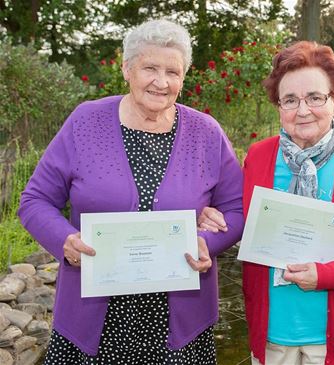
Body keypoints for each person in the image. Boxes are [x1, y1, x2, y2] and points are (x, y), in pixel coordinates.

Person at [18, 19, 244, 364]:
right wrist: (64, 240)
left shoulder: (206, 133)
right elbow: (35, 201)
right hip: (93, 319)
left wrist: (207, 242)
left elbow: (238, 209)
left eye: (173, 71)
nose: (161, 82)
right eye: (149, 68)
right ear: (127, 69)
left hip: (178, 323)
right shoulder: (85, 122)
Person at [198, 41, 334, 365]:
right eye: (290, 100)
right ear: (278, 106)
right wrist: (211, 216)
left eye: (315, 98)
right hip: (272, 331)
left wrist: (333, 274)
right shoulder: (259, 157)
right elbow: (237, 214)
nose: (302, 110)